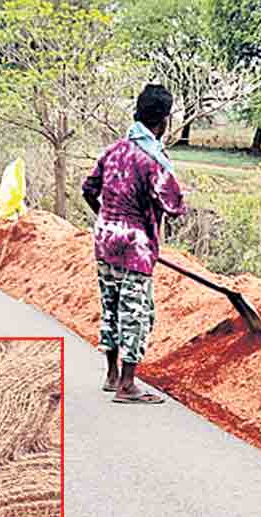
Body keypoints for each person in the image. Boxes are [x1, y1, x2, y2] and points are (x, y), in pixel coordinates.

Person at [82, 84, 187, 404]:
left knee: (110, 307)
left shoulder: (113, 150)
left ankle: (111, 375)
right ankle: (128, 385)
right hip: (135, 248)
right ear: (163, 120)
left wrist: (108, 218)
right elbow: (175, 205)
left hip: (105, 240)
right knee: (136, 313)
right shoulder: (153, 160)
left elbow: (88, 189)